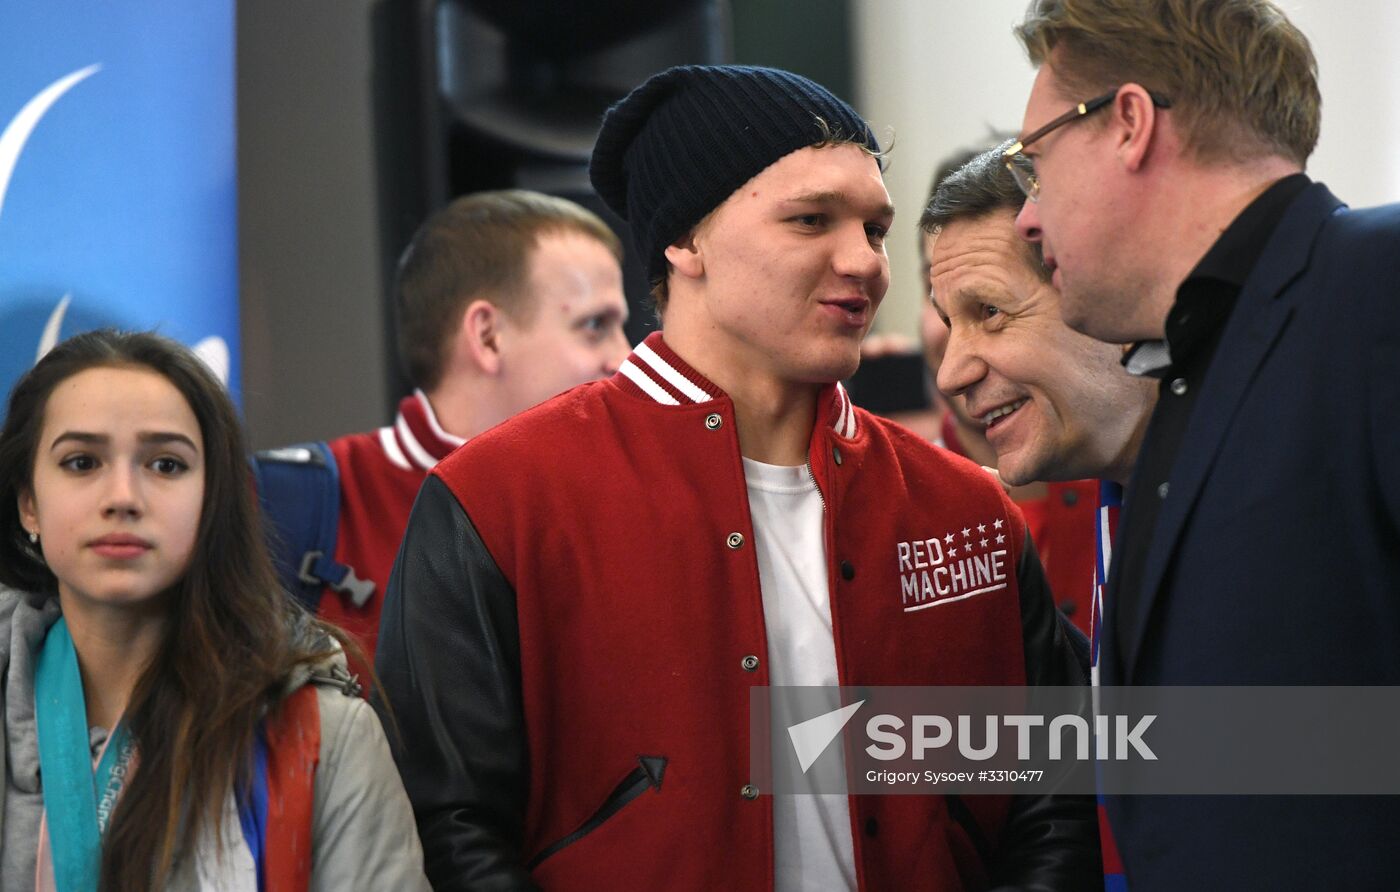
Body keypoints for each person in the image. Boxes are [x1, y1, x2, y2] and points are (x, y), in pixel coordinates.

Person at [375, 64, 1098, 891]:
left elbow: (1053, 804)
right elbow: (450, 827)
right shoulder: (496, 502)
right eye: (811, 220)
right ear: (683, 242)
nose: (861, 261)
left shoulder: (965, 505)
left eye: (874, 227)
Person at [1011, 0, 1400, 887]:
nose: (1028, 220)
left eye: (1032, 165)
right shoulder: (1197, 362)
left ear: (1129, 123)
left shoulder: (1376, 286)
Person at [0, 330, 428, 891]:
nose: (123, 495)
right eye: (82, 462)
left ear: (213, 500)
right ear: (29, 504)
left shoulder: (324, 732)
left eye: (167, 465)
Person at [257, 190, 630, 667]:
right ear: (487, 337)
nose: (626, 357)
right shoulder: (281, 506)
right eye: (595, 325)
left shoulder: (639, 508)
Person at [922, 142, 1159, 889]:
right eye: (947, 323)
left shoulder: (1261, 497)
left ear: (1092, 281)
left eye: (988, 313)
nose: (952, 372)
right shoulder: (1125, 497)